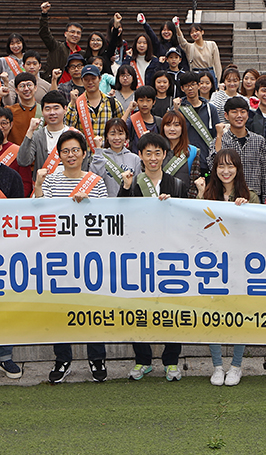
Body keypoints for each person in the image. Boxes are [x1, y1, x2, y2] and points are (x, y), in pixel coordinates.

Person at [39, 129, 111, 384]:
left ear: (84, 153)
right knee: (60, 307)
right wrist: (38, 184)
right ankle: (63, 359)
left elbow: (105, 219)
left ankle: (97, 357)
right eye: (65, 151)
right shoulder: (51, 181)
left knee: (92, 306)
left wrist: (88, 203)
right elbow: (38, 212)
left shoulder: (96, 181)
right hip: (58, 254)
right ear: (58, 155)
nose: (71, 155)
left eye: (75, 150)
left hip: (90, 254)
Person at [116, 132, 188, 381]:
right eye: (148, 153)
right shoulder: (133, 183)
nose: (153, 157)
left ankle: (171, 361)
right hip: (140, 256)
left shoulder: (177, 185)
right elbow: (120, 217)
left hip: (170, 257)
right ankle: (142, 360)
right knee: (139, 309)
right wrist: (125, 188)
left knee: (173, 309)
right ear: (140, 156)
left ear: (165, 155)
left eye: (158, 153)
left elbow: (187, 220)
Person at [196, 149, 258, 386]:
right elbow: (195, 225)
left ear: (238, 168)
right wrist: (201, 194)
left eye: (230, 166)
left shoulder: (249, 196)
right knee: (213, 315)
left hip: (240, 265)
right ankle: (217, 366)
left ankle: (236, 365)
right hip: (211, 265)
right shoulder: (208, 194)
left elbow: (257, 227)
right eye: (221, 166)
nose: (226, 171)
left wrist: (246, 210)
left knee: (239, 313)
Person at [215, 96, 266, 201]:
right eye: (234, 112)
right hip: (227, 198)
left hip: (253, 199)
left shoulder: (259, 141)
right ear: (226, 115)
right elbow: (213, 165)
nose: (239, 116)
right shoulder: (220, 141)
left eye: (243, 112)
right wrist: (219, 136)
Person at [64, 63, 123, 146]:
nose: (90, 82)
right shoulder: (77, 103)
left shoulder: (112, 102)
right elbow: (68, 126)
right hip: (84, 154)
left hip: (107, 154)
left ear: (99, 79)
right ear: (82, 80)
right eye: (86, 79)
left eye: (93, 78)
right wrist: (73, 102)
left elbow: (122, 126)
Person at [174, 69, 221, 164]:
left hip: (206, 159)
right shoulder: (178, 108)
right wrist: (175, 111)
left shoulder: (210, 108)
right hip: (184, 159)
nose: (190, 88)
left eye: (192, 85)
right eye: (186, 86)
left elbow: (216, 134)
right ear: (182, 89)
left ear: (198, 85)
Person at [88, 118, 143, 197]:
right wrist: (98, 150)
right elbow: (93, 180)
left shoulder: (135, 159)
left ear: (126, 136)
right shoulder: (99, 157)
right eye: (112, 134)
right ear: (106, 136)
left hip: (128, 204)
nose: (117, 138)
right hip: (106, 205)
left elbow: (138, 186)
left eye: (120, 134)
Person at [38, 1, 82, 84]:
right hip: (56, 84)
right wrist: (44, 14)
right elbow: (44, 33)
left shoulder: (82, 53)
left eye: (78, 33)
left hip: (75, 86)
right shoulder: (56, 47)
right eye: (72, 32)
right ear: (65, 34)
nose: (75, 35)